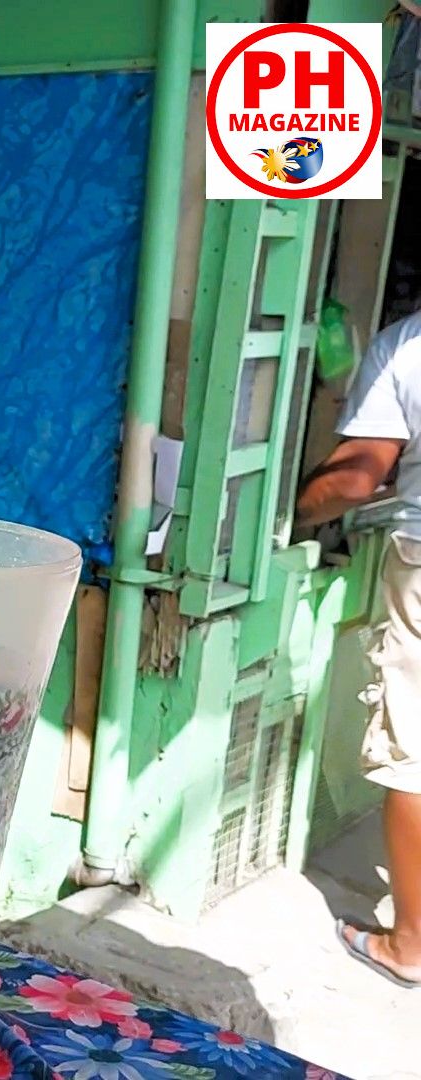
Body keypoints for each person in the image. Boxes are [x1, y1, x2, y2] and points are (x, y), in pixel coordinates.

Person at [296, 308, 421, 989]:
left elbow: (354, 478)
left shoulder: (405, 347)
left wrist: (289, 509)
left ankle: (410, 946)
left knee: (414, 754)